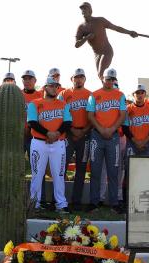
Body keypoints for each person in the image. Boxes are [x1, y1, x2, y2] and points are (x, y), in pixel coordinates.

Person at [27, 77, 72, 214]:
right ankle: (35, 203)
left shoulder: (63, 104)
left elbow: (67, 122)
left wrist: (56, 134)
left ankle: (61, 204)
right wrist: (48, 134)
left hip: (58, 143)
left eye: (56, 86)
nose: (54, 88)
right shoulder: (34, 103)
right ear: (45, 87)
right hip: (39, 143)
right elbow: (32, 122)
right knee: (37, 174)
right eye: (51, 86)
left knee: (58, 174)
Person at [86, 67, 126, 214]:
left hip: (113, 136)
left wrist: (112, 128)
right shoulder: (94, 95)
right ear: (102, 78)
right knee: (96, 170)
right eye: (107, 79)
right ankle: (94, 202)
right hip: (97, 135)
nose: (109, 82)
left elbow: (122, 115)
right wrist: (102, 129)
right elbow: (90, 115)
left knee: (113, 171)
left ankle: (114, 203)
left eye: (112, 79)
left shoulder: (120, 95)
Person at [75, 2, 138, 80]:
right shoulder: (81, 27)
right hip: (97, 54)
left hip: (106, 51)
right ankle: (112, 88)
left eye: (85, 8)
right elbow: (77, 45)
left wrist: (129, 32)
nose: (83, 11)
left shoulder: (100, 20)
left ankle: (113, 88)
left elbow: (116, 28)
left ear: (90, 10)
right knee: (100, 76)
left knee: (101, 74)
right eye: (82, 9)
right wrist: (86, 37)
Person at [58, 68, 92, 210]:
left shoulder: (90, 95)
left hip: (85, 134)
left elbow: (93, 115)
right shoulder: (63, 94)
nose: (78, 80)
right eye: (76, 77)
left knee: (81, 167)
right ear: (71, 79)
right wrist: (71, 130)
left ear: (84, 79)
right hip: (68, 134)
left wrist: (84, 130)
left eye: (81, 77)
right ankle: (60, 199)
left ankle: (76, 200)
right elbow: (59, 114)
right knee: (62, 167)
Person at [122, 84, 149, 157]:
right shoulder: (127, 110)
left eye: (142, 93)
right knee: (130, 167)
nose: (140, 95)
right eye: (137, 93)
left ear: (145, 94)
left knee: (147, 167)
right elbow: (125, 129)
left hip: (147, 144)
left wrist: (143, 142)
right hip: (131, 143)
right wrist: (136, 143)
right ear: (133, 95)